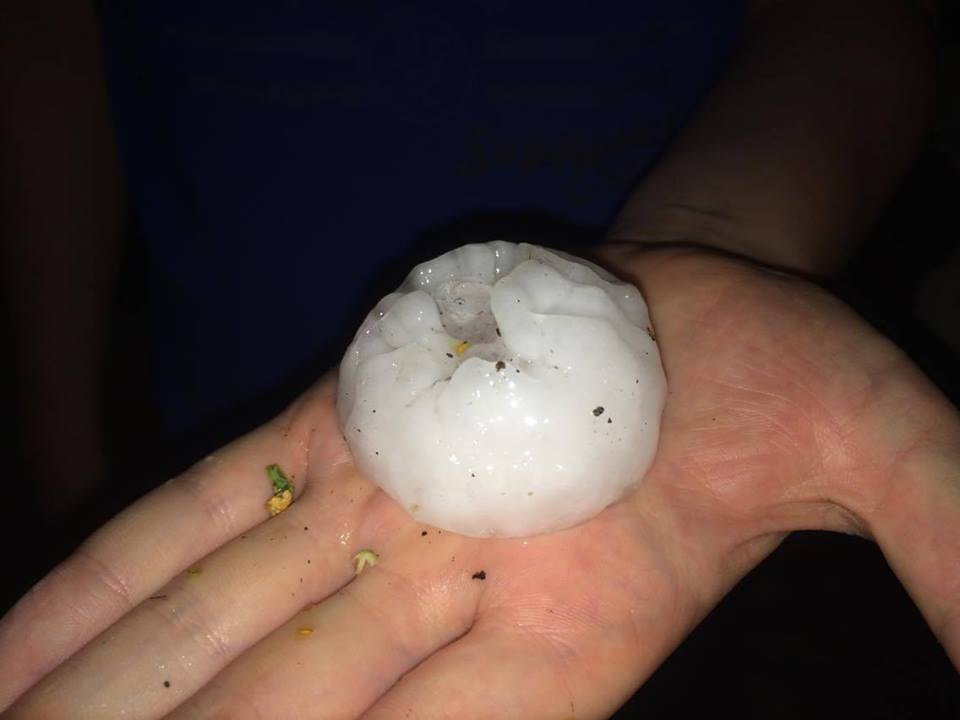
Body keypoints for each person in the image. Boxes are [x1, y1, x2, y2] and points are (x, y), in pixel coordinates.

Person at [1, 0, 956, 718]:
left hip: (655, 583)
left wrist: (713, 235)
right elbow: (49, 44)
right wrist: (65, 440)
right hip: (223, 380)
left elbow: (862, 22)